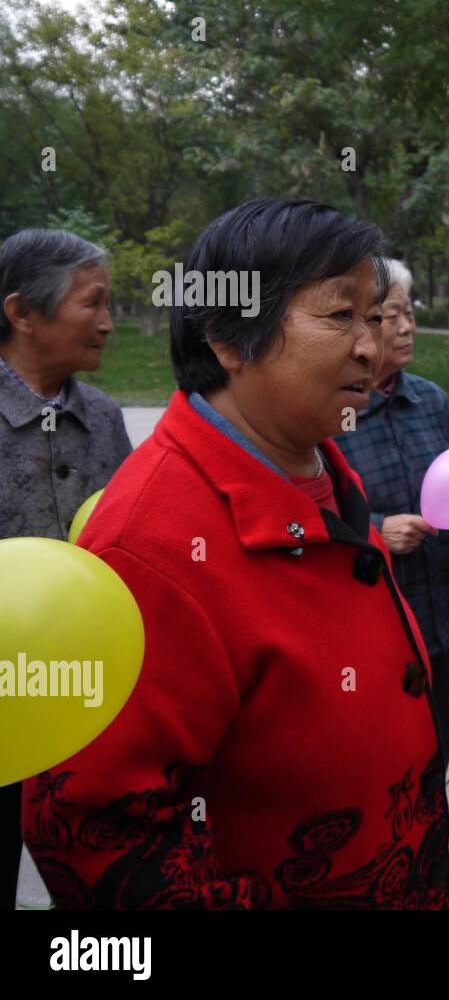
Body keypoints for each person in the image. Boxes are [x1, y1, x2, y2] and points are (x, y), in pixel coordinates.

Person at [22, 198, 449, 909]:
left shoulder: (318, 466)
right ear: (229, 334)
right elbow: (103, 844)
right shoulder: (147, 552)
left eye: (376, 317)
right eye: (341, 315)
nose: (372, 347)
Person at [1, 228, 131, 909]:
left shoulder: (104, 417)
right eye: (95, 303)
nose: (110, 322)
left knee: (95, 888)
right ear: (23, 312)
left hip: (90, 702)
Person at [333, 258, 449, 889]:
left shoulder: (430, 400)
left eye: (411, 313)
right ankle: (385, 862)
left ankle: (429, 850)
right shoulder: (336, 411)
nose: (407, 328)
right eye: (392, 316)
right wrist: (377, 530)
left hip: (432, 611)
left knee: (437, 739)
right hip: (368, 622)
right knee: (380, 753)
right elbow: (309, 509)